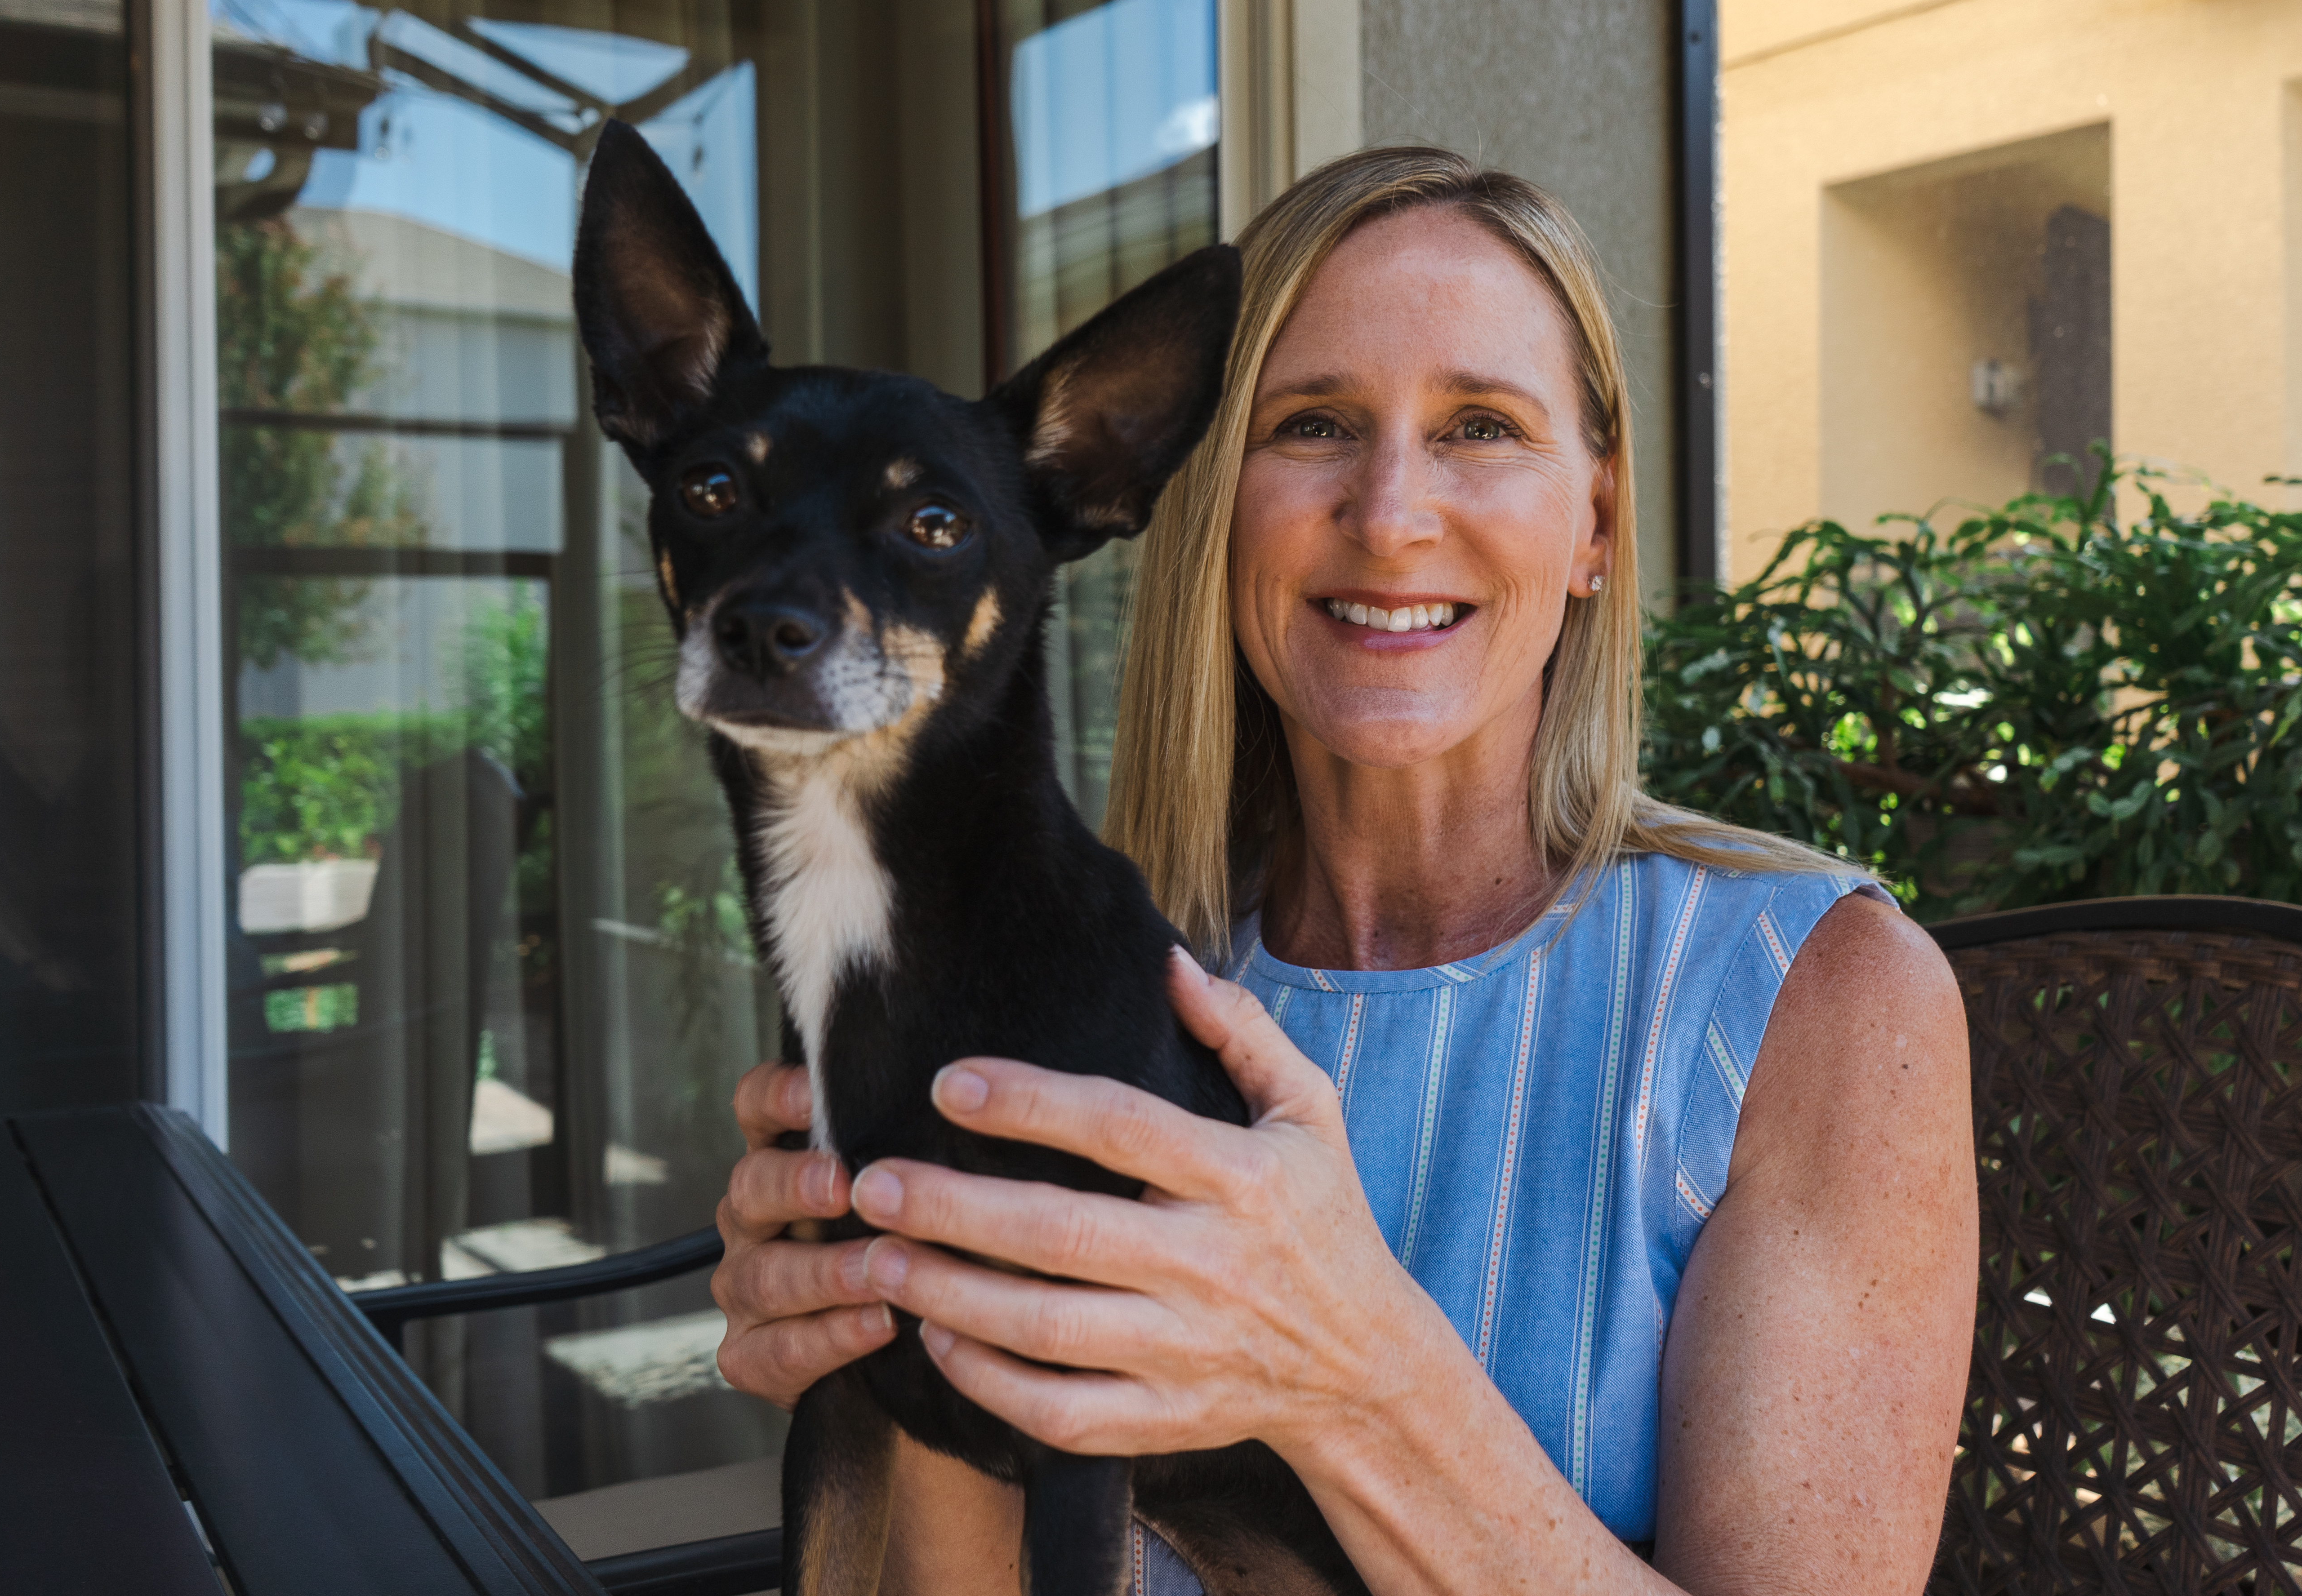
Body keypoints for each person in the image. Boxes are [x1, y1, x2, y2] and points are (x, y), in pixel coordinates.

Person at [712, 147, 1977, 1595]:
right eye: (1311, 423)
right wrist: (901, 1346)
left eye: (1482, 427)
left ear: (1598, 527)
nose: (1389, 514)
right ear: (1205, 503)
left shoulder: (1808, 1001)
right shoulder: (1092, 994)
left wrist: (1348, 1384)